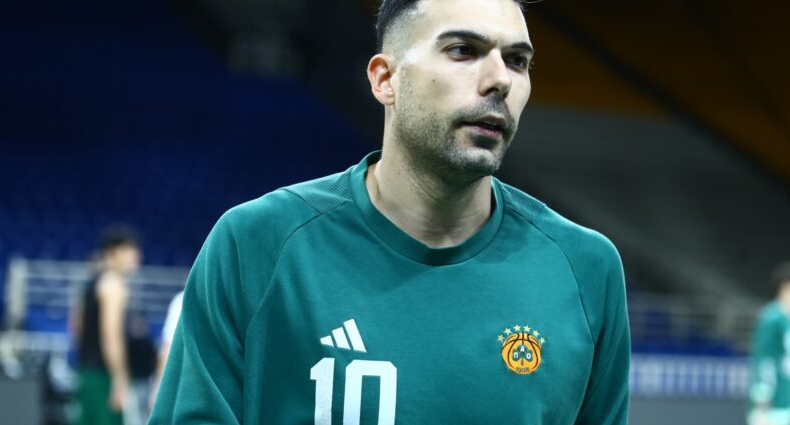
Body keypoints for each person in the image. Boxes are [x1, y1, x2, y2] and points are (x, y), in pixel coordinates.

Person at [149, 0, 630, 423]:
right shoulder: (256, 245)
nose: (499, 80)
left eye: (517, 60)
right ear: (385, 79)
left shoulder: (586, 269)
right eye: (463, 50)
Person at [73, 227, 142, 425]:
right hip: (104, 376)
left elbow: (77, 325)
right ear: (113, 252)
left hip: (86, 373)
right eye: (130, 250)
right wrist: (120, 379)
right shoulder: (114, 285)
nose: (137, 257)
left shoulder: (92, 282)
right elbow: (111, 335)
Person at [748, 261, 790, 425]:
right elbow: (764, 360)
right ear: (786, 286)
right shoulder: (772, 318)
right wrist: (761, 407)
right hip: (773, 411)